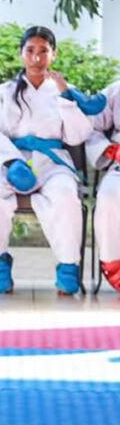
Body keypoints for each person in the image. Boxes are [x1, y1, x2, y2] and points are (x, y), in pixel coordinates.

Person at [0, 26, 93, 296]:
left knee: (65, 196)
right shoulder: (5, 92)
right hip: (14, 162)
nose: (37, 58)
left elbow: (78, 135)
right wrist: (12, 162)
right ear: (21, 53)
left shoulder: (65, 90)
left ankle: (68, 266)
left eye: (43, 51)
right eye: (30, 51)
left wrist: (67, 98)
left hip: (52, 164)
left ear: (54, 54)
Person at [87, 81, 120, 292]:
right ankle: (114, 264)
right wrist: (110, 150)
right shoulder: (116, 91)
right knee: (108, 196)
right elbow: (89, 126)